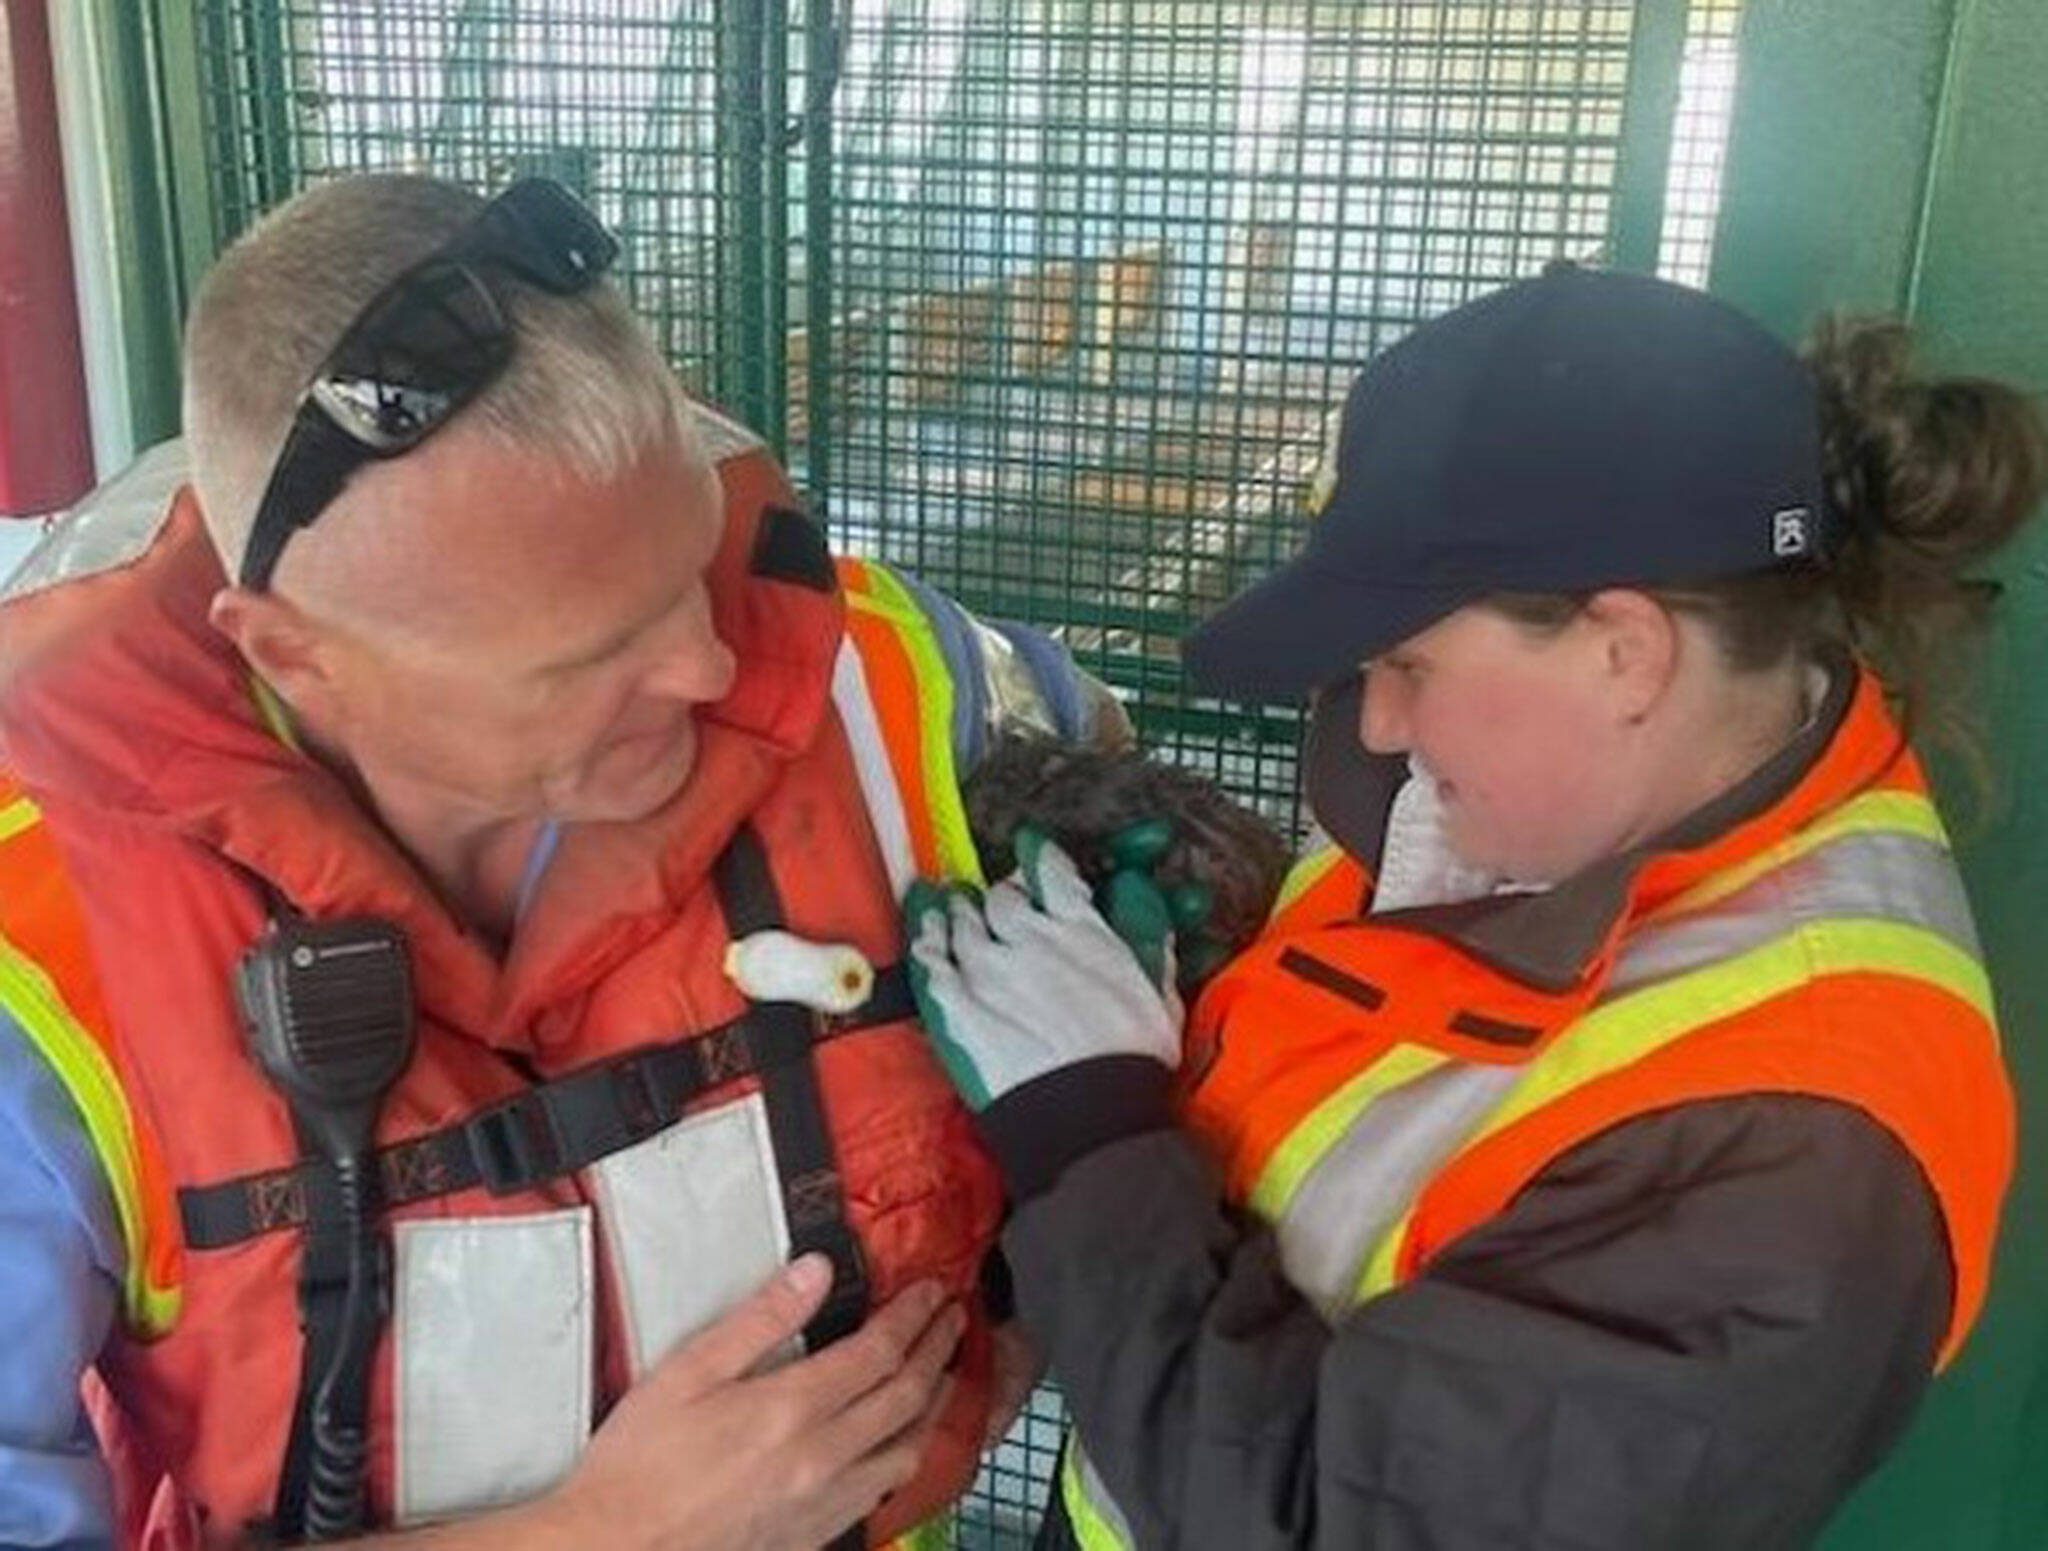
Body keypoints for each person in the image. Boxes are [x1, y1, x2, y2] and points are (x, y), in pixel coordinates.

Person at [0, 173, 1127, 1548]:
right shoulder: (37, 955)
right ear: (296, 655)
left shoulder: (889, 675)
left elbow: (1108, 784)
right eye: (592, 656)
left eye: (686, 576)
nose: (710, 666)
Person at [907, 267, 2047, 1549]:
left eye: (1408, 662)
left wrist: (1086, 1127)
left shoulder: (1795, 1151)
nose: (1376, 719)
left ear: (1627, 651)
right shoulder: (1528, 804)